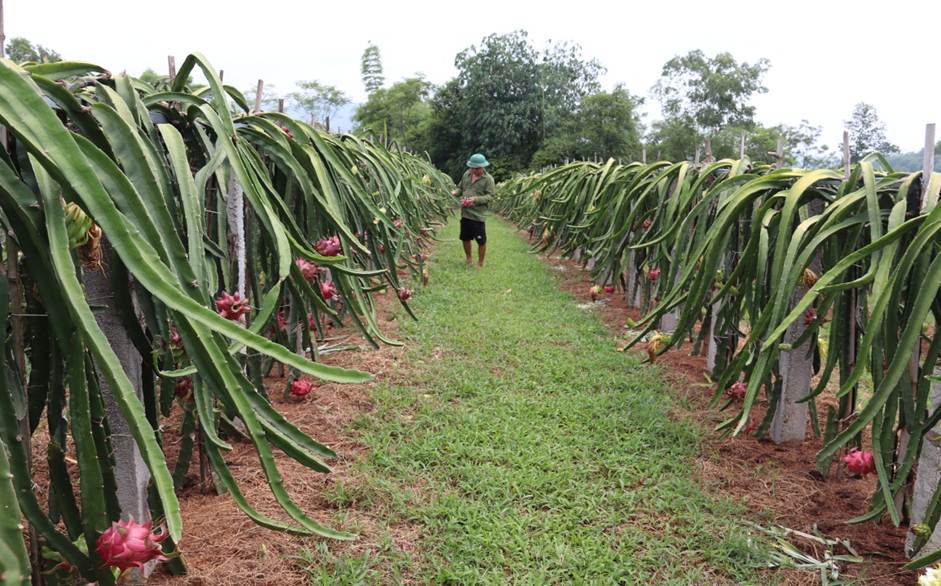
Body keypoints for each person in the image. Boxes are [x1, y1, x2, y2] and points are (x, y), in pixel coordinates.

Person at [451, 153, 494, 267]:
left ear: (483, 167)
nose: (475, 171)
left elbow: (490, 196)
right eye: (473, 168)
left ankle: (480, 263)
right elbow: (460, 188)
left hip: (478, 215)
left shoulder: (488, 179)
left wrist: (474, 200)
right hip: (465, 214)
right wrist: (455, 193)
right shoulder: (466, 174)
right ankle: (469, 258)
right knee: (465, 238)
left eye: (478, 168)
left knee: (481, 240)